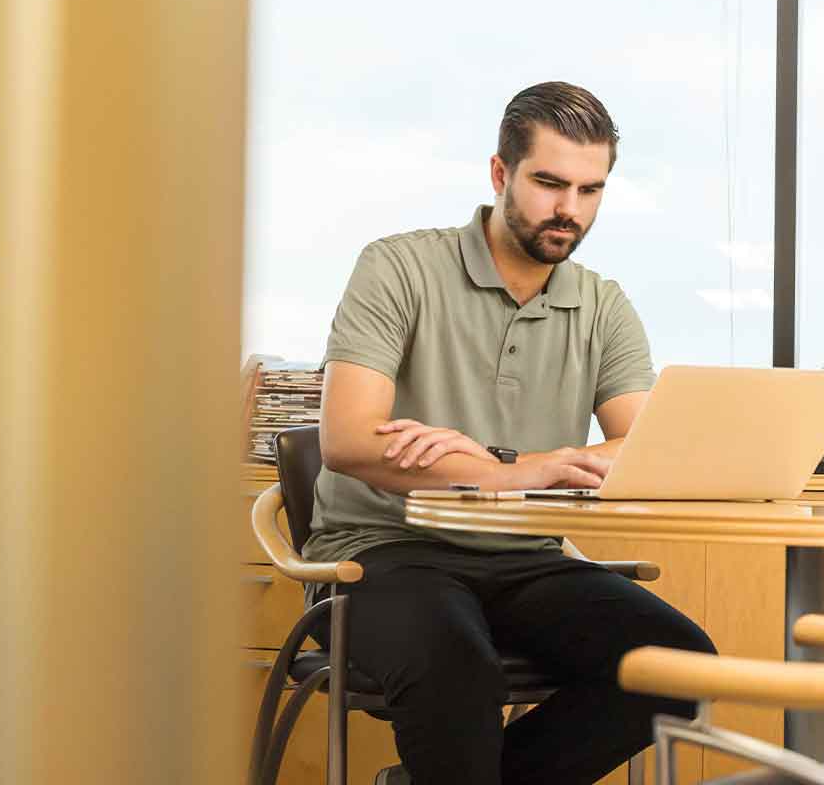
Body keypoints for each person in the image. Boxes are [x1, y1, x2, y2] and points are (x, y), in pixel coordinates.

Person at [307, 81, 717, 785]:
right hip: (380, 554)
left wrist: (510, 465)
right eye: (550, 183)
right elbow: (348, 439)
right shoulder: (399, 267)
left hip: (526, 559)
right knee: (455, 666)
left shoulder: (602, 303)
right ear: (501, 173)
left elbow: (639, 451)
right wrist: (515, 472)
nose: (570, 210)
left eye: (591, 190)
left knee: (677, 662)